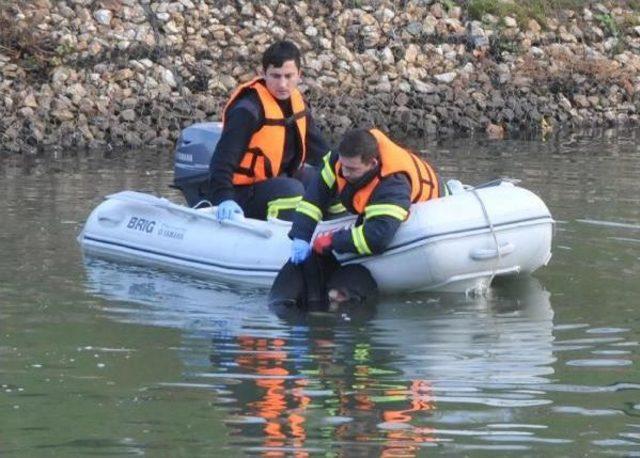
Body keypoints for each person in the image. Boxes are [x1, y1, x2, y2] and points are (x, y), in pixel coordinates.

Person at [208, 40, 329, 221]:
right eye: (275, 76)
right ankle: (288, 237)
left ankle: (335, 233)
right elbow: (221, 162)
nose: (282, 84)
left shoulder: (298, 103)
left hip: (279, 181)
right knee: (292, 190)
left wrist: (347, 173)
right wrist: (224, 198)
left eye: (289, 76)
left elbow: (320, 152)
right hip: (243, 193)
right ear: (263, 74)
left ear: (299, 75)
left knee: (325, 178)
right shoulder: (248, 110)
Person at [288, 128, 446, 264]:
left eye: (352, 169)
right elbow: (315, 197)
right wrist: (301, 234)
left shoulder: (393, 184)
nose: (344, 173)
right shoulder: (339, 160)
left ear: (373, 164)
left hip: (433, 202)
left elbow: (377, 238)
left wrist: (333, 240)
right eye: (343, 166)